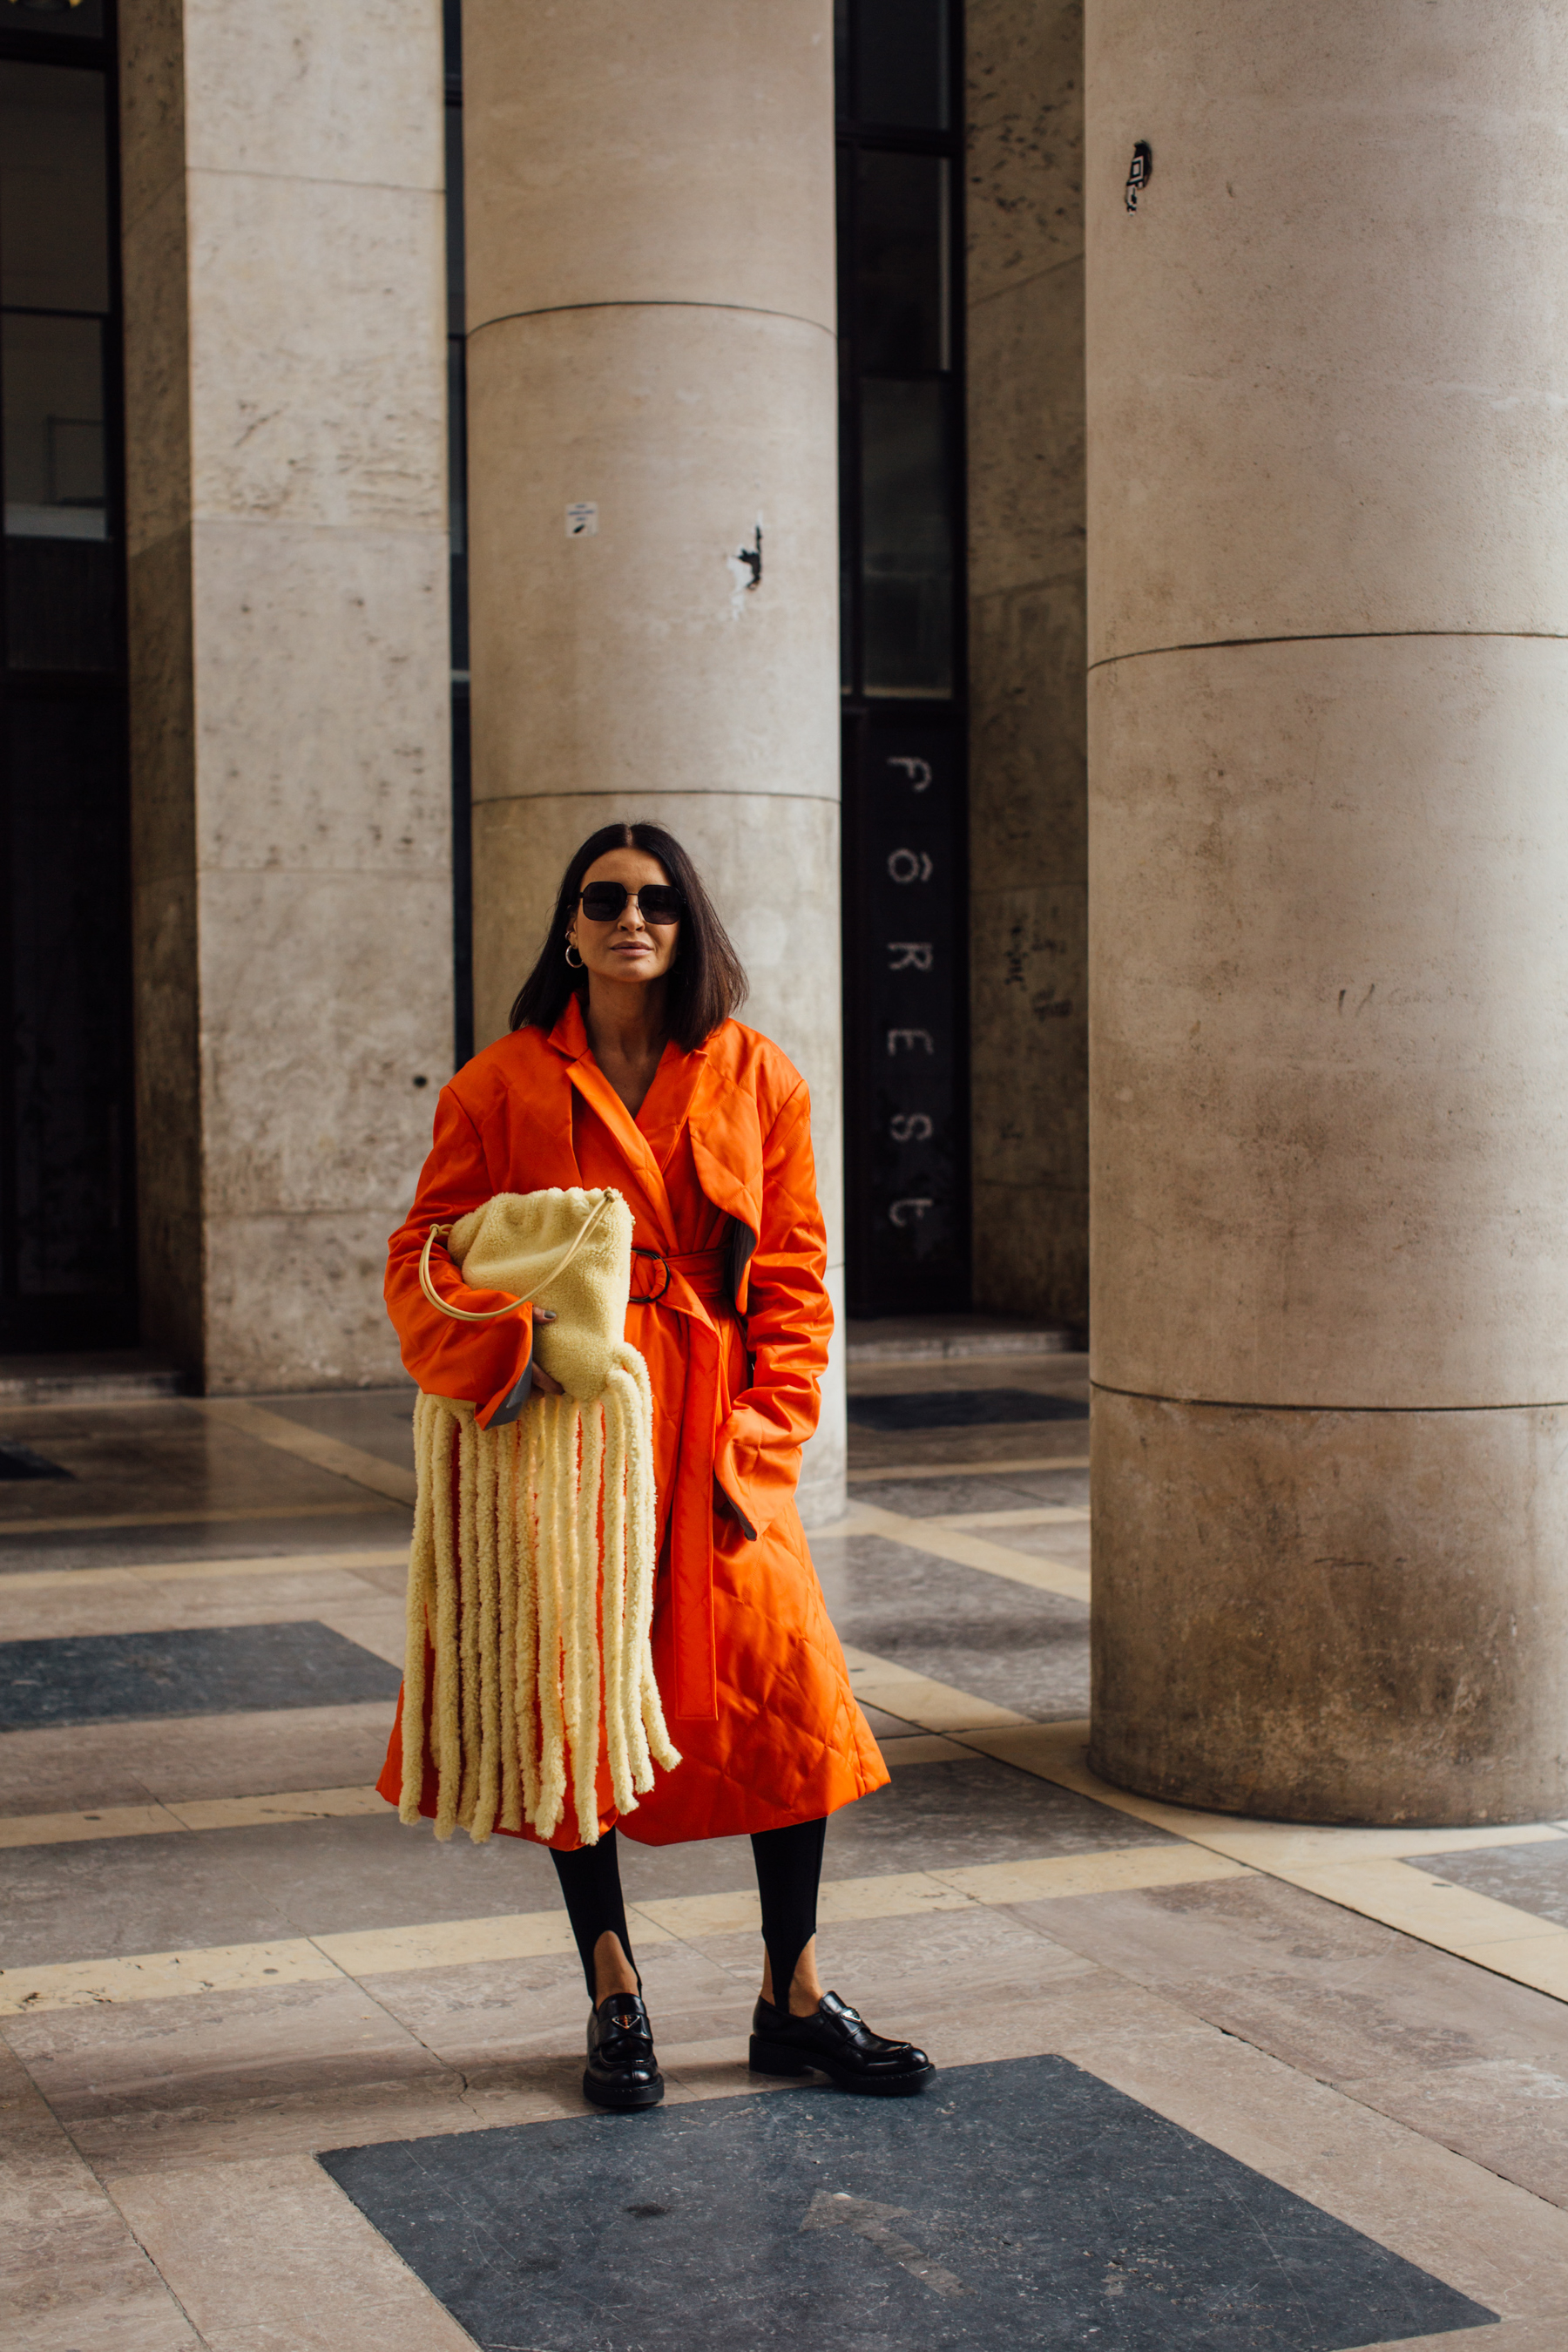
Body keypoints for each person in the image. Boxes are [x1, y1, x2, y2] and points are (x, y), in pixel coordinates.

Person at [376, 820, 934, 2110]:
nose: (633, 918)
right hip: (577, 1434)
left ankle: (793, 1995)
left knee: (787, 1699)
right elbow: (424, 1255)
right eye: (605, 898)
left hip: (716, 1424)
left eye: (659, 901)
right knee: (577, 1696)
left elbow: (795, 1278)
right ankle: (613, 1988)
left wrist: (764, 1437)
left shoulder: (755, 1075)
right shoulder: (500, 1085)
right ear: (570, 927)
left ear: (689, 926)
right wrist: (506, 1359)